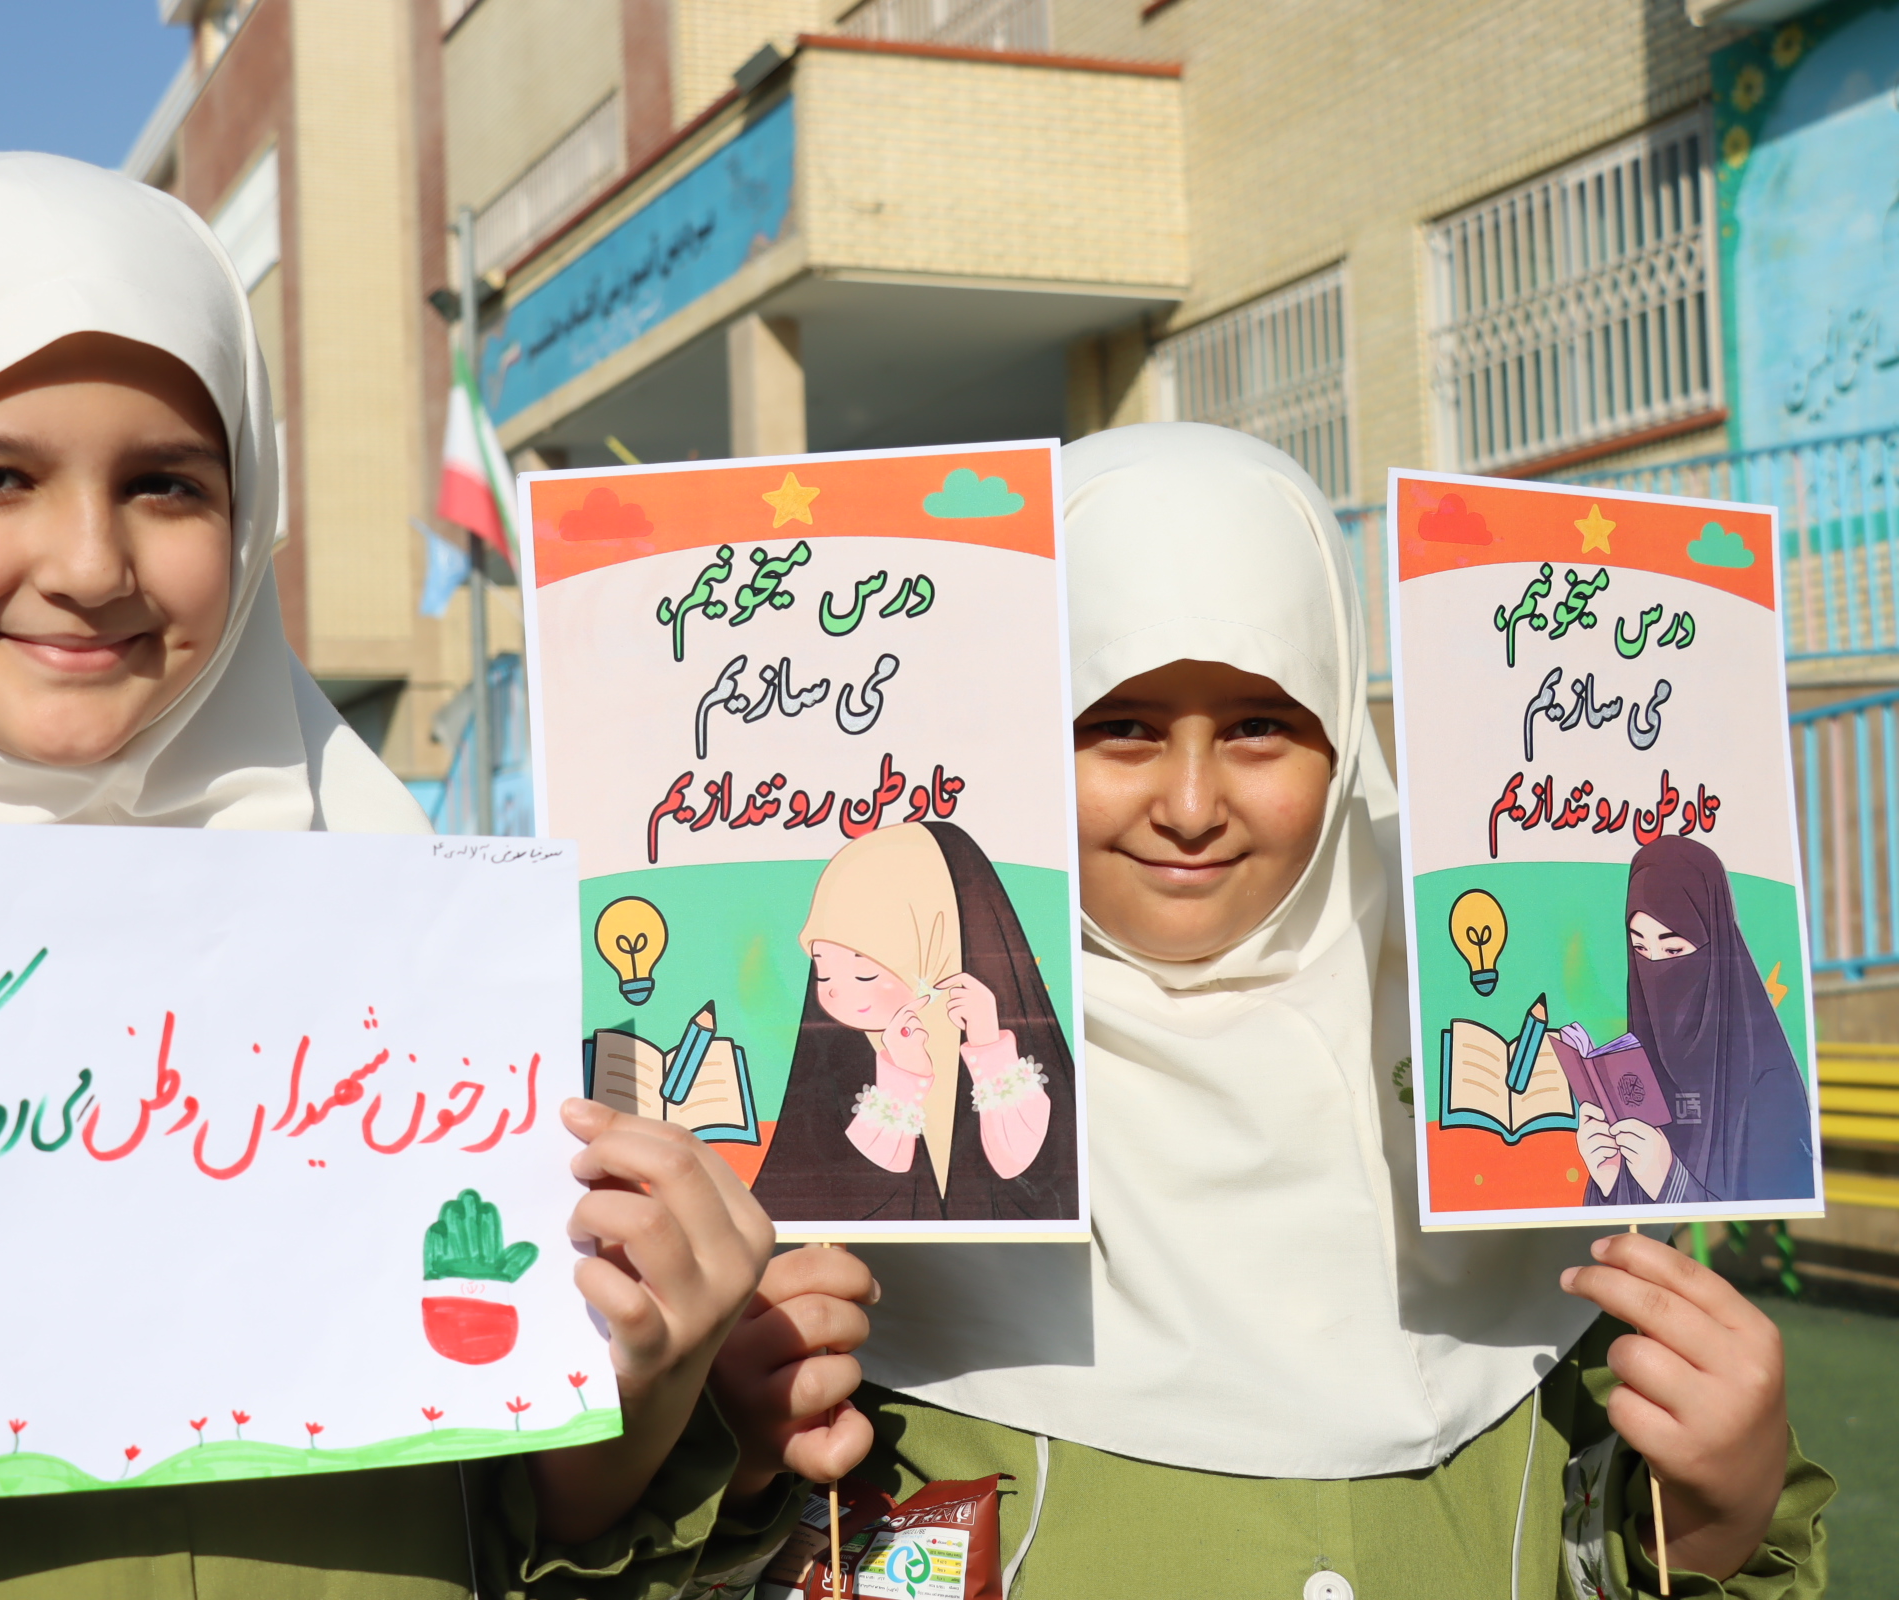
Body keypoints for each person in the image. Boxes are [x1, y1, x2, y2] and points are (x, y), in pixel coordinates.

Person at [0, 154, 808, 1600]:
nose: (89, 563)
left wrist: (642, 1402)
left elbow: (518, 1538)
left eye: (168, 484)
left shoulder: (416, 950)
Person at [823, 424, 1830, 1597]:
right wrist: (732, 1453)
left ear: (1343, 732)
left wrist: (1721, 1516)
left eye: (1260, 725)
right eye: (1118, 724)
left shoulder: (1501, 1106)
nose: (1189, 804)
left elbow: (1601, 1543)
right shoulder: (885, 1117)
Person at [748, 822, 1077, 1224]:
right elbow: (834, 1190)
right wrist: (902, 1078)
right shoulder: (834, 1062)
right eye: (823, 971)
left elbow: (1025, 1170)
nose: (838, 993)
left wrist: (988, 1048)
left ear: (938, 949)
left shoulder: (990, 1027)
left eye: (866, 972)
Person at [1580, 836, 1816, 1207]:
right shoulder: (1639, 1069)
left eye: (1673, 949)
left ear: (1714, 948)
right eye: (1640, 948)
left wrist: (1670, 1182)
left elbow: (1771, 1223)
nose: (1654, 968)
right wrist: (1610, 1181)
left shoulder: (1767, 1084)